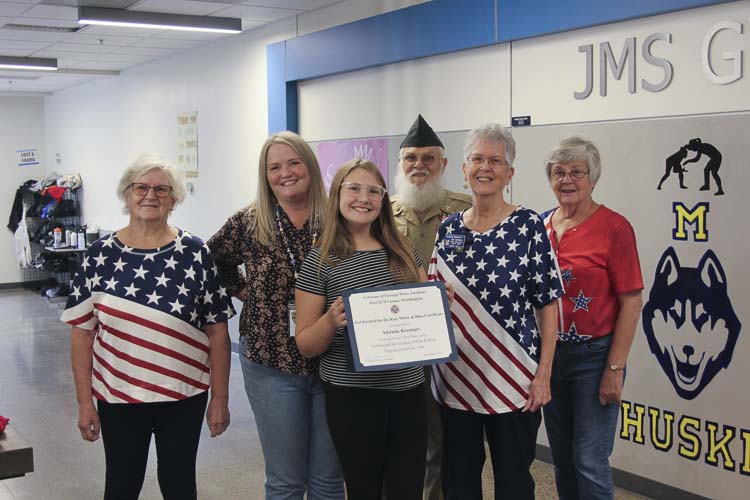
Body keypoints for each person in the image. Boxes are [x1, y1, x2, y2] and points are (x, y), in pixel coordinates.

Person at [62, 154, 234, 500]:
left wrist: (220, 398)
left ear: (174, 199)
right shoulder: (99, 256)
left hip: (184, 394)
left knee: (180, 484)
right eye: (141, 187)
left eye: (161, 189)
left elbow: (218, 331)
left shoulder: (195, 253)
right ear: (127, 194)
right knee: (122, 486)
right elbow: (81, 335)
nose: (150, 195)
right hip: (119, 394)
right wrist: (84, 403)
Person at [207, 131, 344, 499]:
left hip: (334, 360)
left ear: (310, 166)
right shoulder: (249, 222)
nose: (286, 173)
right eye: (274, 167)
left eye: (294, 162)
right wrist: (243, 291)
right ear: (265, 175)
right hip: (271, 363)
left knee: (329, 481)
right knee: (285, 481)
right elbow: (212, 260)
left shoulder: (338, 218)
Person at [429, 124, 562, 500]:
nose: (485, 168)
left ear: (509, 173)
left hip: (515, 379)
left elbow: (548, 304)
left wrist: (544, 375)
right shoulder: (449, 228)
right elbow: (433, 295)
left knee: (515, 483)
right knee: (459, 483)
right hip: (455, 380)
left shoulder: (529, 225)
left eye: (495, 161)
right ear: (464, 168)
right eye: (477, 159)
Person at [295, 159, 429, 500]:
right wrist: (329, 321)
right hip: (353, 396)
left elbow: (425, 313)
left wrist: (438, 306)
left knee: (407, 487)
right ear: (337, 194)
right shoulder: (320, 260)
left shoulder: (402, 249)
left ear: (383, 199)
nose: (363, 197)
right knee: (363, 487)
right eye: (354, 188)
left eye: (374, 190)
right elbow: (306, 344)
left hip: (408, 391)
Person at [541, 136, 644, 500]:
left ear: (593, 178)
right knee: (563, 460)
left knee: (589, 459)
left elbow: (632, 300)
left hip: (595, 358)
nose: (567, 180)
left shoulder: (615, 228)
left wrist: (614, 369)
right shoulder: (541, 227)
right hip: (551, 359)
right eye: (558, 173)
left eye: (576, 172)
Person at [391, 114, 471, 500]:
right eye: (410, 158)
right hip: (395, 342)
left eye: (427, 158)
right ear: (400, 163)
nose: (418, 166)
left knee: (442, 433)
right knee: (400, 431)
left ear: (442, 164)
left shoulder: (467, 210)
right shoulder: (379, 212)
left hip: (452, 344)